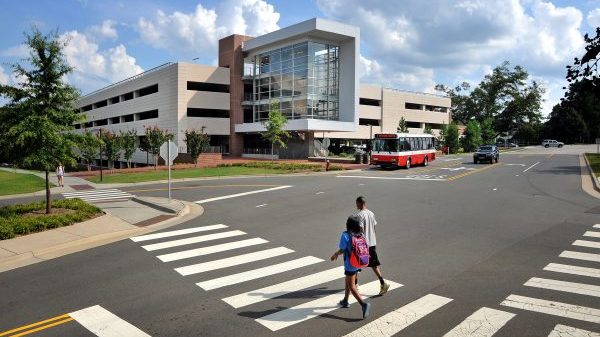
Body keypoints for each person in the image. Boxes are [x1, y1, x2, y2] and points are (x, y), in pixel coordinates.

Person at [330, 215, 371, 319]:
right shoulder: (360, 234)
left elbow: (342, 249)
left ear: (348, 225)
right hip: (359, 261)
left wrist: (335, 254)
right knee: (347, 280)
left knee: (352, 285)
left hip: (350, 264)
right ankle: (345, 300)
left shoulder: (345, 235)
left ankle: (363, 304)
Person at [355, 196, 390, 295]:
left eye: (357, 203)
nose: (356, 205)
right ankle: (383, 282)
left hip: (363, 244)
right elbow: (374, 227)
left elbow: (360, 230)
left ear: (360, 203)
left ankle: (356, 285)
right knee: (374, 265)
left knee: (356, 264)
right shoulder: (371, 213)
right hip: (372, 243)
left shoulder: (359, 215)